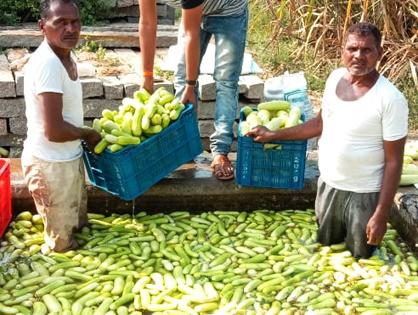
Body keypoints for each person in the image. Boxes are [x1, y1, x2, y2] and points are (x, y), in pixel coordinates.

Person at [247, 22, 409, 258]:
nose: (358, 56)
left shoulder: (390, 98)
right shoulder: (334, 79)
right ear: (343, 50)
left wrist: (382, 214)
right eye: (352, 49)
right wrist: (273, 134)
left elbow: (394, 161)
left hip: (364, 193)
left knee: (362, 255)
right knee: (326, 247)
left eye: (367, 50)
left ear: (379, 53)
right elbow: (320, 124)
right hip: (329, 186)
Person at [21, 0, 101, 252]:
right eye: (61, 23)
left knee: (78, 228)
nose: (70, 29)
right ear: (43, 27)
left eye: (75, 22)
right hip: (50, 165)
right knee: (61, 245)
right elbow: (54, 131)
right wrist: (88, 133)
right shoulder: (47, 64)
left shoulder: (65, 54)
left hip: (68, 158)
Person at [138, 0, 248, 180]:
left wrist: (191, 85)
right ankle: (184, 147)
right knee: (181, 78)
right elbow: (147, 23)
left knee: (225, 81)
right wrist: (147, 77)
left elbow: (191, 34)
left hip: (230, 11)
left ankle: (220, 152)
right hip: (193, 11)